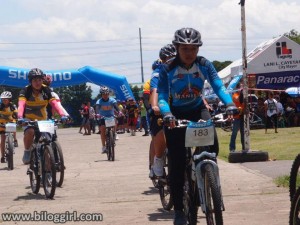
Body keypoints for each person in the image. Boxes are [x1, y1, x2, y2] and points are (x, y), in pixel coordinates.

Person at [157, 28, 236, 225]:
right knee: (176, 163)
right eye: (185, 48)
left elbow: (218, 85)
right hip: (174, 115)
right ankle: (179, 211)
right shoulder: (167, 68)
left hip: (198, 109)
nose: (189, 52)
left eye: (193, 48)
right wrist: (166, 114)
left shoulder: (204, 64)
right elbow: (161, 96)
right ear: (176, 48)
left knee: (213, 148)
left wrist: (229, 104)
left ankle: (204, 177)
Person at [18, 68, 69, 164]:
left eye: (40, 80)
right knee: (30, 131)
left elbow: (55, 104)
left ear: (42, 80)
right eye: (35, 80)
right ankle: (27, 151)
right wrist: (20, 117)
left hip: (43, 119)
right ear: (31, 81)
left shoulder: (46, 90)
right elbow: (21, 105)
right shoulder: (25, 91)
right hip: (28, 118)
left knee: (47, 144)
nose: (37, 82)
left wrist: (63, 115)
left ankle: (49, 171)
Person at [148, 43, 177, 178]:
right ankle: (158, 159)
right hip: (161, 107)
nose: (171, 60)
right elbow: (155, 90)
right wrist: (155, 106)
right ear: (163, 60)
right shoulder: (158, 72)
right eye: (168, 58)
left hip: (178, 106)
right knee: (159, 133)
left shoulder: (183, 69)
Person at [95, 86, 121, 153]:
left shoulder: (112, 100)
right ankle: (103, 147)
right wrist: (97, 113)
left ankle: (114, 133)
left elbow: (115, 106)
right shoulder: (99, 101)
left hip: (111, 117)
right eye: (104, 94)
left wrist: (119, 111)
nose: (105, 95)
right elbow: (97, 108)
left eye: (107, 94)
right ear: (101, 94)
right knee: (102, 130)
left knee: (115, 120)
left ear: (108, 94)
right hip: (103, 117)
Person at [0, 91, 18, 163]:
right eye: (3, 99)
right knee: (3, 139)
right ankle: (2, 156)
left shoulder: (13, 106)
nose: (4, 100)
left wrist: (17, 119)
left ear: (9, 100)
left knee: (14, 125)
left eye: (6, 99)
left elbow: (16, 114)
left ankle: (15, 139)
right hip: (1, 123)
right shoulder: (0, 106)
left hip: (10, 122)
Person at [229, 83, 245, 152]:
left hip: (243, 117)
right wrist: (242, 92)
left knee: (243, 133)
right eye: (241, 87)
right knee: (234, 133)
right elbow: (238, 100)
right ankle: (232, 148)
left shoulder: (244, 95)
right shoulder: (235, 95)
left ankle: (244, 147)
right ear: (238, 88)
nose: (242, 88)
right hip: (237, 117)